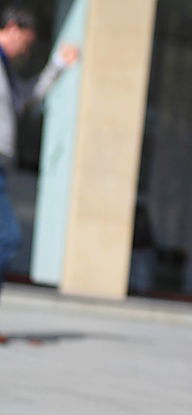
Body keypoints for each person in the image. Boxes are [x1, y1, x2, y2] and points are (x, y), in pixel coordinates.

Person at [0, 7, 78, 292]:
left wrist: (57, 65)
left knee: (6, 238)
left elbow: (24, 99)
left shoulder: (5, 68)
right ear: (12, 28)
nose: (26, 50)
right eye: (26, 42)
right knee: (6, 237)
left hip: (2, 167)